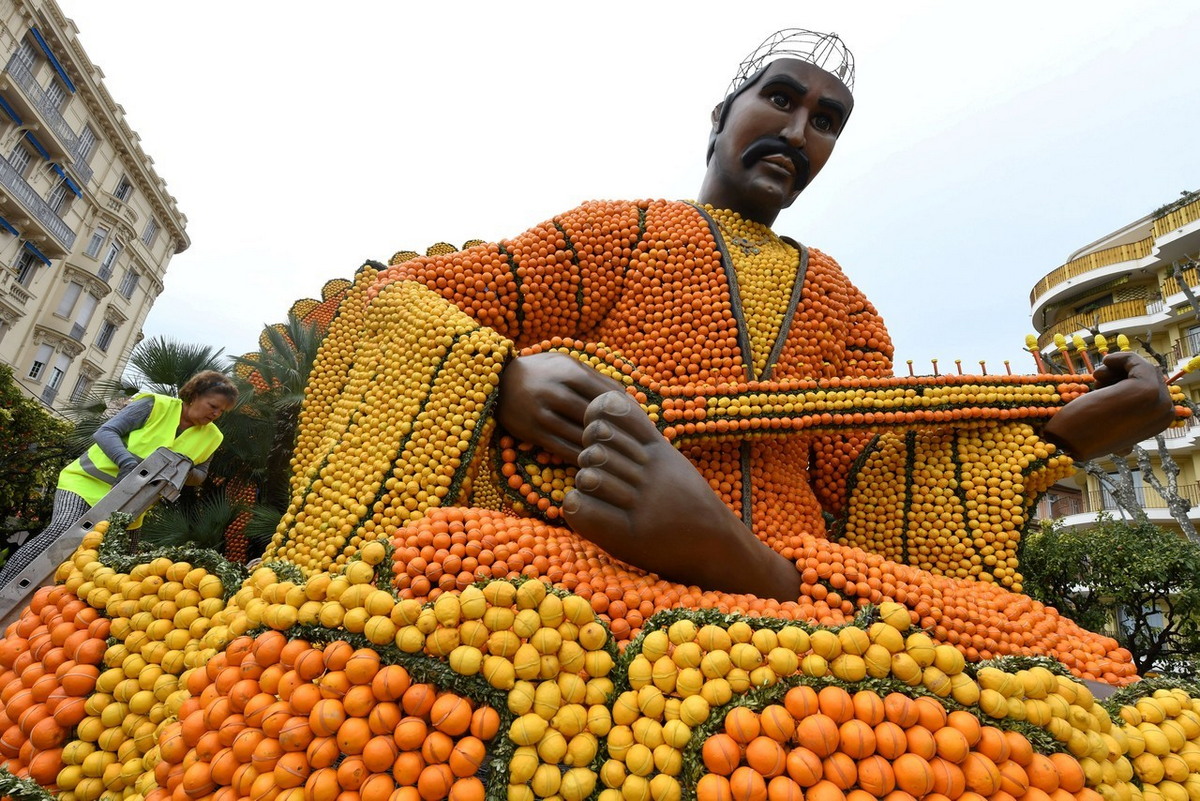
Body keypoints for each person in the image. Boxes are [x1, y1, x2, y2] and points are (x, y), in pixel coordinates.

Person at [269, 30, 1176, 678]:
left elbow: (870, 476)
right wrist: (498, 375)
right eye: (780, 99)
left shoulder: (843, 303)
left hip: (782, 580)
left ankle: (743, 568)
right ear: (722, 114)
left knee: (1074, 654)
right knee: (446, 568)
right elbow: (387, 304)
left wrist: (1063, 430)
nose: (799, 129)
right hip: (571, 557)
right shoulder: (618, 232)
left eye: (826, 121)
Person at [0, 370, 238, 585]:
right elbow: (105, 431)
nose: (216, 414)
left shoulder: (213, 436)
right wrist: (126, 462)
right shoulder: (155, 406)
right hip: (86, 482)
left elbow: (200, 475)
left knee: (118, 564)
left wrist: (182, 468)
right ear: (194, 395)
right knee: (62, 533)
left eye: (221, 411)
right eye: (212, 406)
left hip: (133, 504)